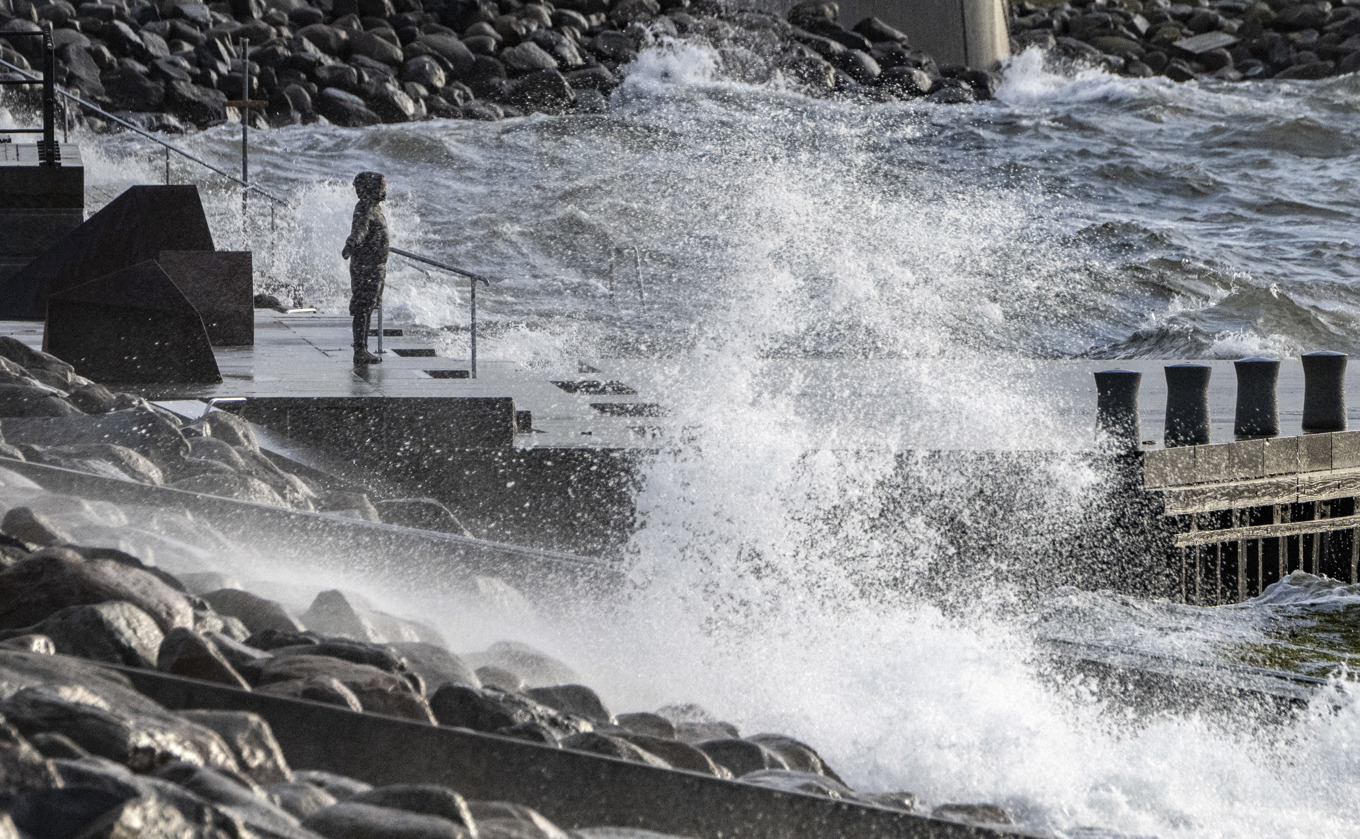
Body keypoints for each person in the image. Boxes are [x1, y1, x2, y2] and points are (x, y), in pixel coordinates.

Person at [342, 171, 390, 365]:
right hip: (366, 267)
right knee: (362, 307)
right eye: (382, 186)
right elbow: (360, 231)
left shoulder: (373, 207)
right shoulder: (366, 208)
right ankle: (360, 350)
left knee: (368, 307)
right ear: (372, 188)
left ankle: (362, 349)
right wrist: (351, 245)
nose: (384, 190)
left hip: (374, 267)